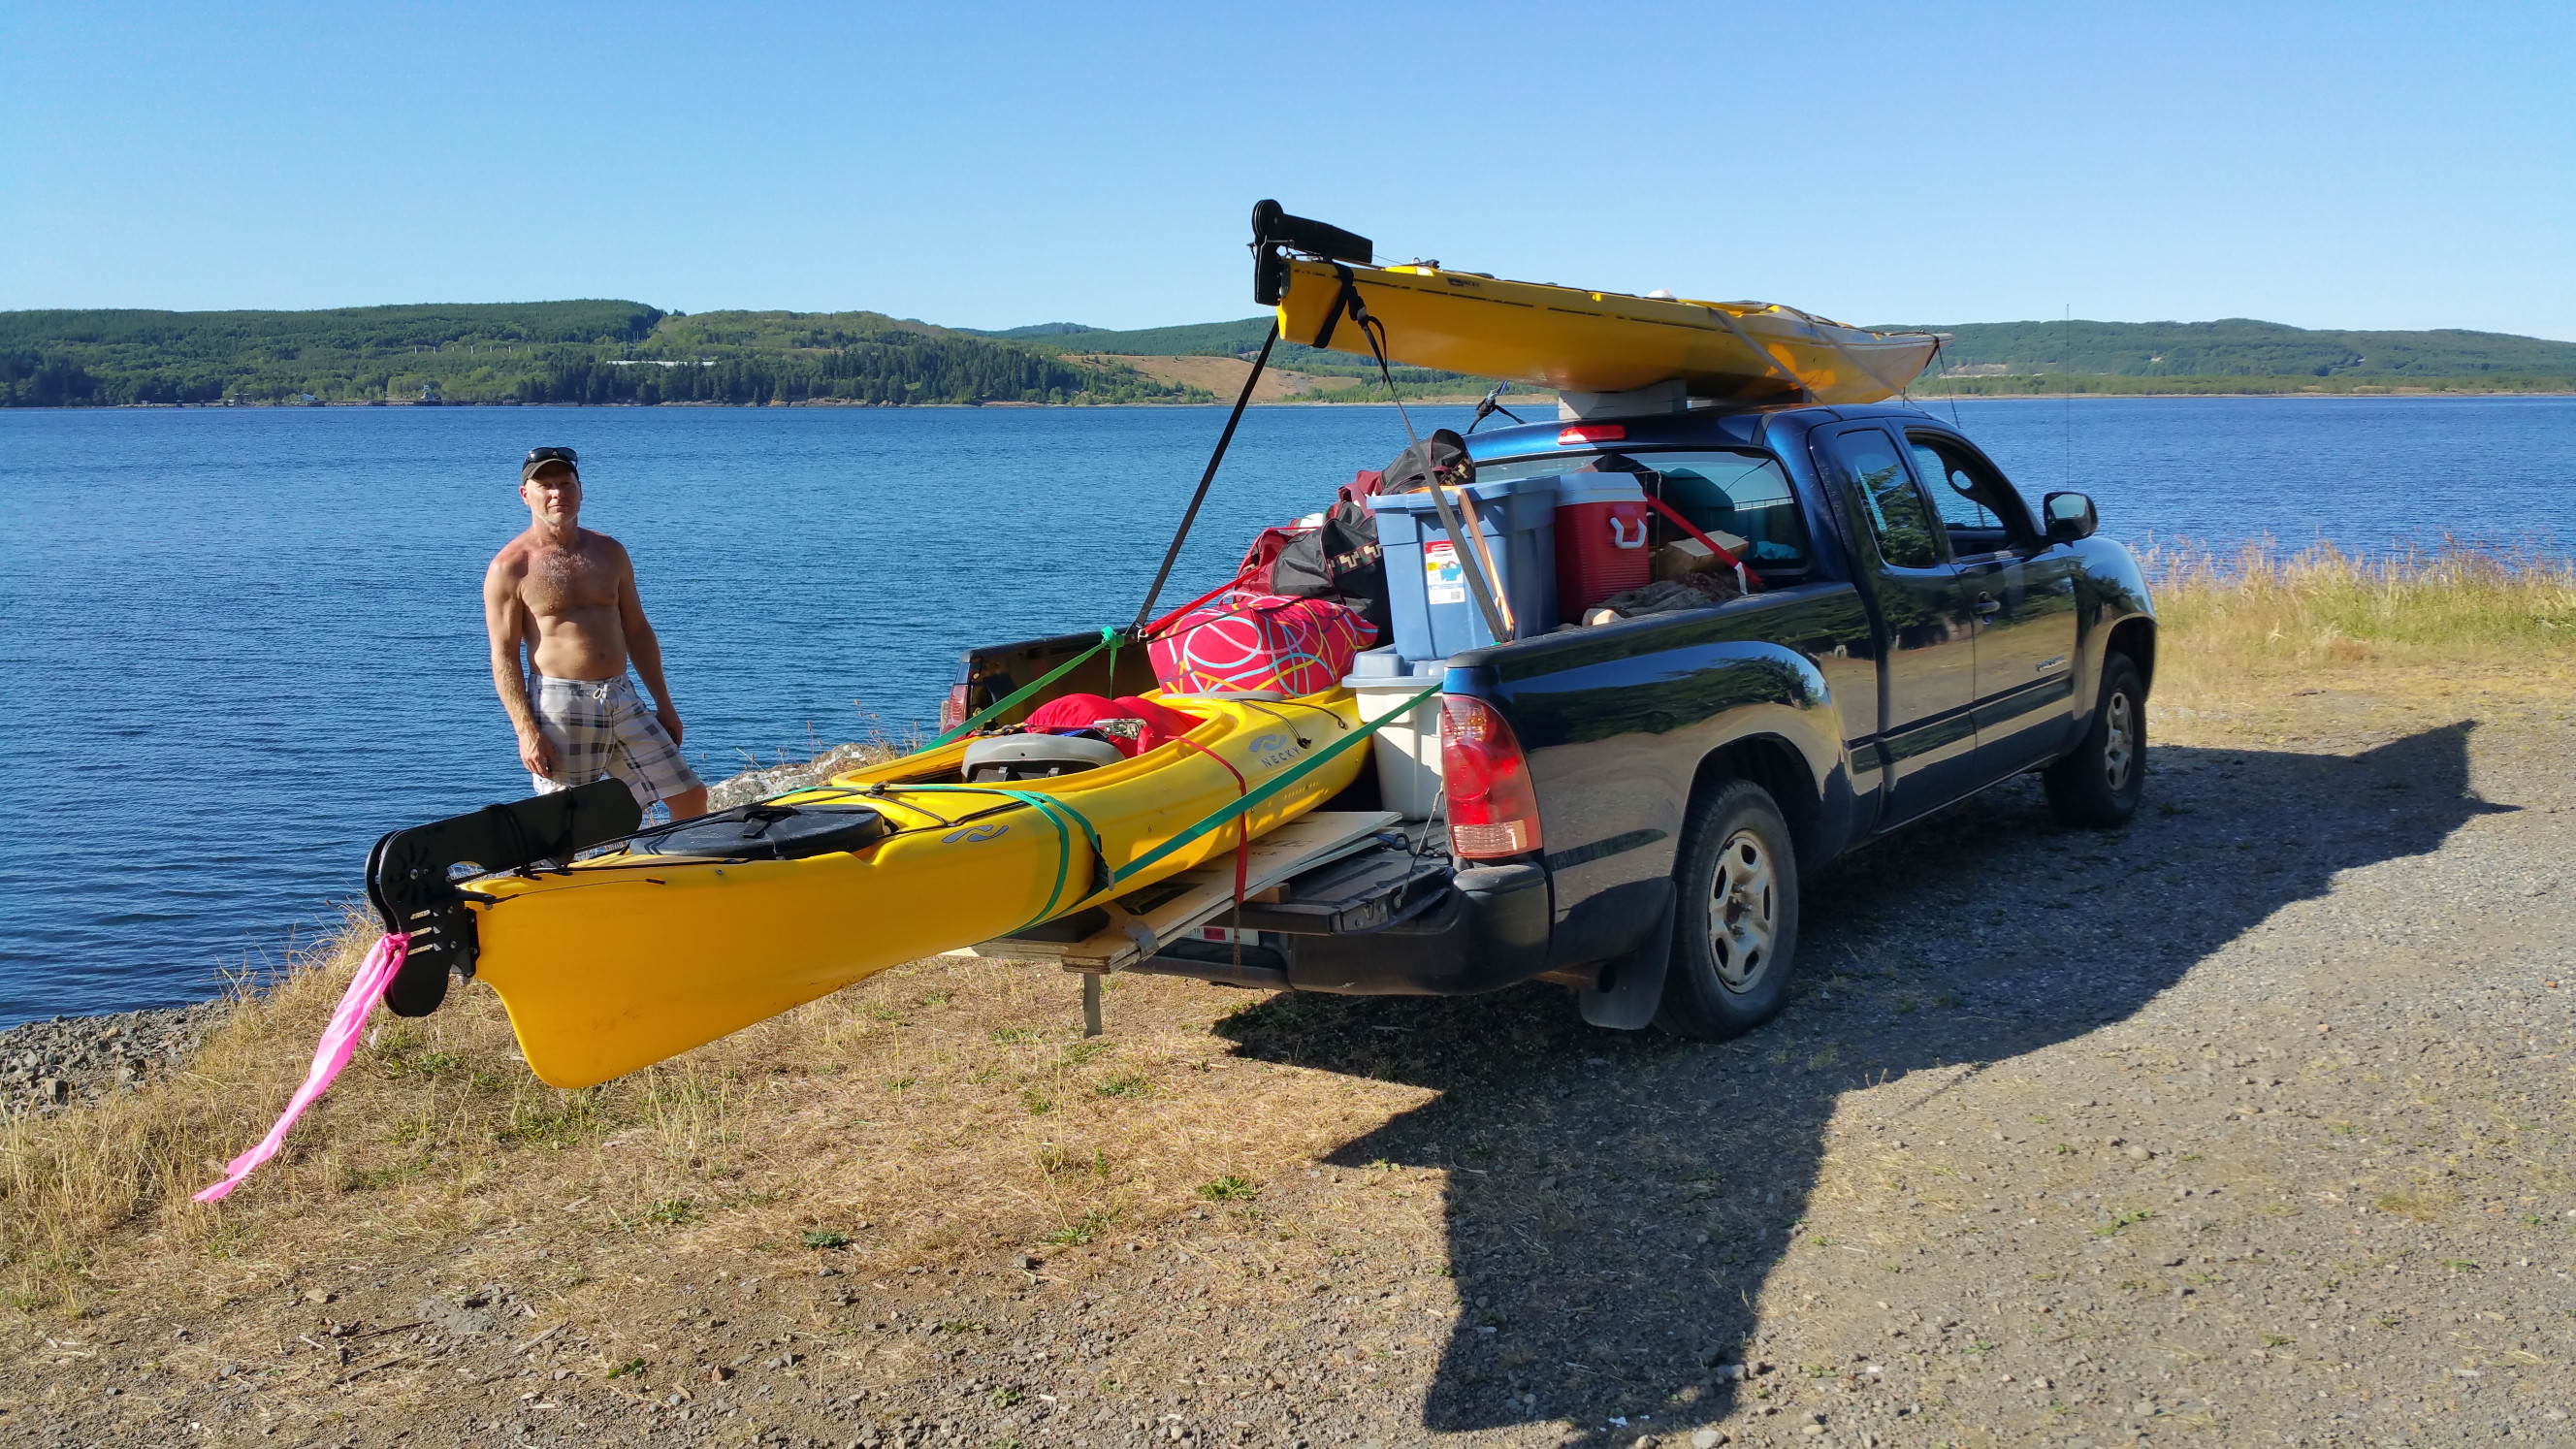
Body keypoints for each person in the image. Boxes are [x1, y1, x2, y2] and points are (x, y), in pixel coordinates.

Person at [483, 446, 710, 821]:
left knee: (689, 796)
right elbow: (503, 656)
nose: (557, 493)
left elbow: (637, 631)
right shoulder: (510, 568)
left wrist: (664, 704)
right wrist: (525, 731)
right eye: (545, 486)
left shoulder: (608, 552)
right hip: (560, 704)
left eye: (565, 484)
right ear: (526, 495)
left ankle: (677, 871)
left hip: (621, 695)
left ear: (580, 490)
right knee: (568, 822)